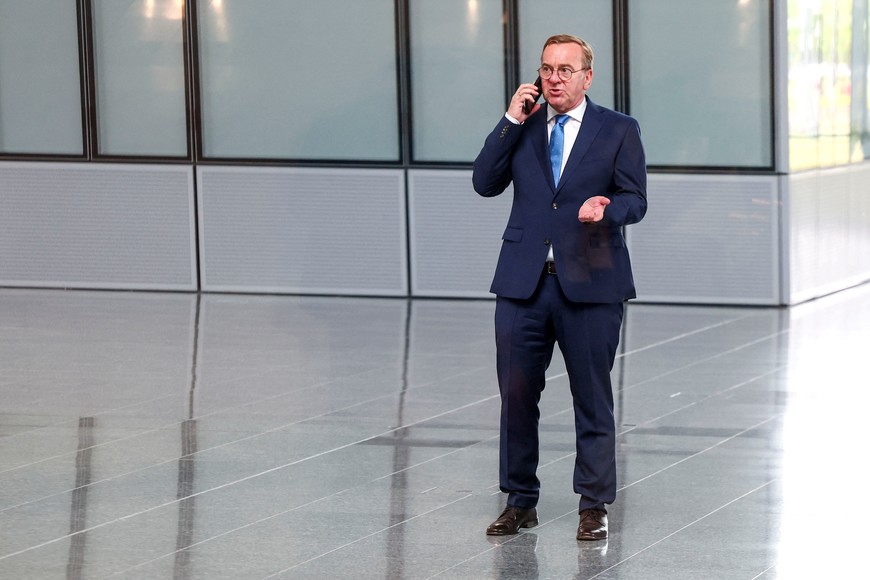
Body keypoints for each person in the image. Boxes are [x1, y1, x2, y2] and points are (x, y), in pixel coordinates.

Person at [472, 34, 647, 541]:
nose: (553, 78)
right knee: (516, 398)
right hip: (522, 285)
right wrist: (510, 119)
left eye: (565, 70)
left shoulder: (618, 128)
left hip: (591, 283)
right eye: (547, 69)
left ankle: (593, 505)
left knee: (591, 396)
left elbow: (636, 199)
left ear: (587, 77)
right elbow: (484, 182)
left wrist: (607, 208)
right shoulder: (522, 126)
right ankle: (519, 500)